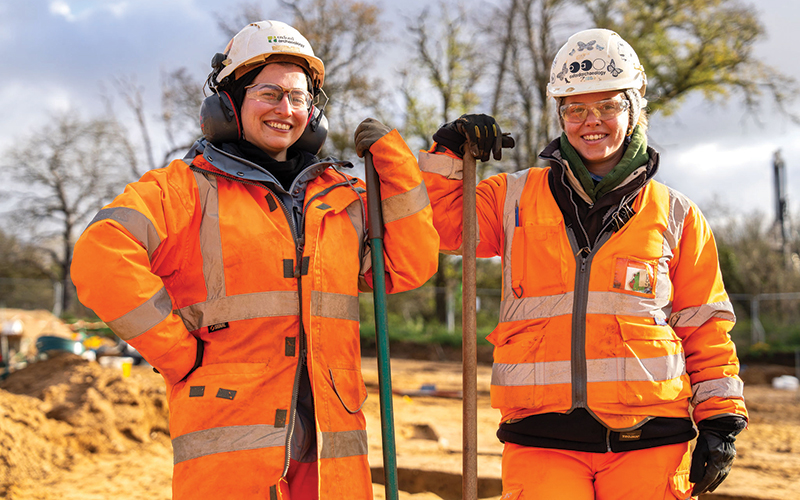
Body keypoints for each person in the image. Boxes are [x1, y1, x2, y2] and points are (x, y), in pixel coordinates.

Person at [71, 20, 439, 500]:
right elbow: (100, 256)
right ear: (229, 102)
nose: (286, 110)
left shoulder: (343, 196)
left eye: (299, 97)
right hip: (232, 446)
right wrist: (178, 354)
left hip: (332, 445)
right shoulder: (182, 190)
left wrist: (396, 167)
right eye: (269, 93)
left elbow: (409, 265)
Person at [419, 28, 747, 499]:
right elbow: (440, 225)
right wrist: (448, 152)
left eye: (608, 106)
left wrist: (721, 417)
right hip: (542, 443)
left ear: (633, 110)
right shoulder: (512, 198)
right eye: (575, 108)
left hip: (651, 443)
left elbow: (704, 326)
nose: (591, 121)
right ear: (561, 116)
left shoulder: (677, 215)